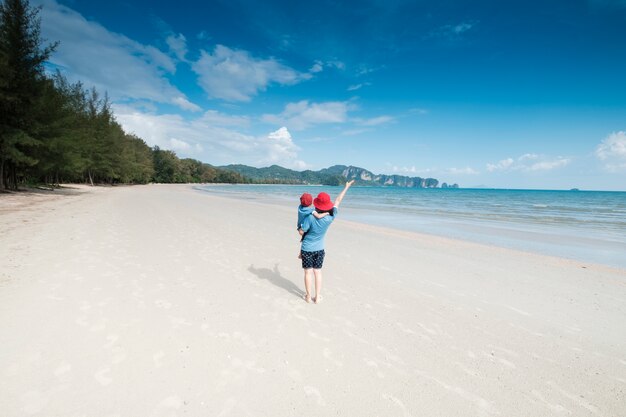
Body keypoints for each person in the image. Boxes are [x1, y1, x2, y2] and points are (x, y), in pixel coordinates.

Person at [299, 180, 355, 304]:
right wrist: (346, 187)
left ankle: (308, 296)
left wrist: (300, 227)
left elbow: (302, 232)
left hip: (307, 248)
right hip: (319, 249)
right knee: (317, 272)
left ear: (316, 204)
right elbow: (338, 201)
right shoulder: (331, 217)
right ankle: (317, 297)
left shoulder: (310, 217)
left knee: (307, 272)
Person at [297, 193, 327, 259]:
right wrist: (326, 213)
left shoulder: (300, 207)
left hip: (299, 226)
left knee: (304, 239)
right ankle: (301, 253)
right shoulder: (311, 211)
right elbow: (318, 216)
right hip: (304, 227)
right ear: (311, 202)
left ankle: (300, 253)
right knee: (305, 239)